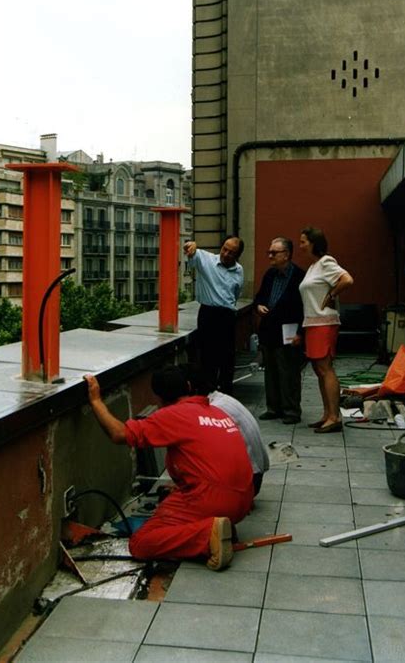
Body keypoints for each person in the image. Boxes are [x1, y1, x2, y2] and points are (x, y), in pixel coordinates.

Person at [84, 366, 253, 571]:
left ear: (160, 397)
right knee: (174, 501)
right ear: (189, 386)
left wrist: (95, 401)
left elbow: (120, 434)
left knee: (141, 543)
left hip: (213, 500)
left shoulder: (173, 415)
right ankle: (218, 528)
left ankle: (207, 534)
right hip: (244, 501)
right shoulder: (216, 411)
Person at [181, 362, 270, 495]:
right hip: (253, 477)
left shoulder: (214, 410)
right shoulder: (221, 399)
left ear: (188, 387)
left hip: (246, 484)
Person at [298, 226, 354, 433]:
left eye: (303, 241)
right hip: (313, 323)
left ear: (314, 243)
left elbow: (347, 279)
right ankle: (327, 414)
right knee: (319, 370)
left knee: (325, 368)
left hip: (324, 323)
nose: (300, 245)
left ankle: (334, 417)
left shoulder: (325, 262)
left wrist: (331, 296)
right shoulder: (314, 266)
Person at [253, 237, 305, 424]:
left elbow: (304, 308)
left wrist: (301, 332)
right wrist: (259, 306)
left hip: (290, 330)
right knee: (271, 371)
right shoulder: (270, 275)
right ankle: (273, 408)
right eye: (269, 252)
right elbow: (259, 297)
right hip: (269, 330)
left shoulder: (299, 276)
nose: (270, 256)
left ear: (287, 255)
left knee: (289, 371)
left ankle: (291, 410)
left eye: (274, 253)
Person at [184, 236, 244, 395]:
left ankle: (226, 395)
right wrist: (191, 245)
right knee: (207, 358)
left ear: (237, 256)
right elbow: (191, 252)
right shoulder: (206, 259)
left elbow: (236, 293)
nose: (226, 254)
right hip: (208, 314)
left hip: (228, 316)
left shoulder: (239, 270)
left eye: (231, 252)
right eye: (225, 249)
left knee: (227, 359)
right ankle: (207, 396)